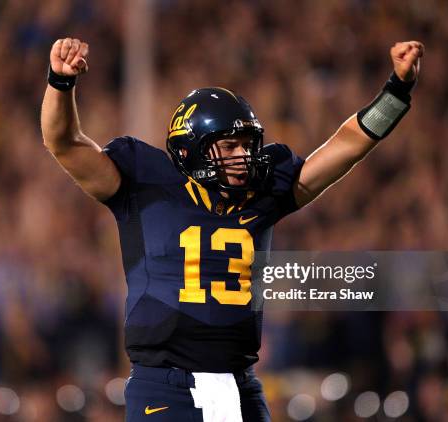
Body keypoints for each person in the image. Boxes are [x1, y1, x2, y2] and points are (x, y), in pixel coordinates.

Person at [41, 37, 424, 422]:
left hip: (241, 386)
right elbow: (64, 142)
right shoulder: (144, 182)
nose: (244, 156)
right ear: (190, 148)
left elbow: (347, 146)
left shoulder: (264, 189)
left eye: (247, 145)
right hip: (165, 386)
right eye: (230, 146)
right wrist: (61, 83)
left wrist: (397, 90)